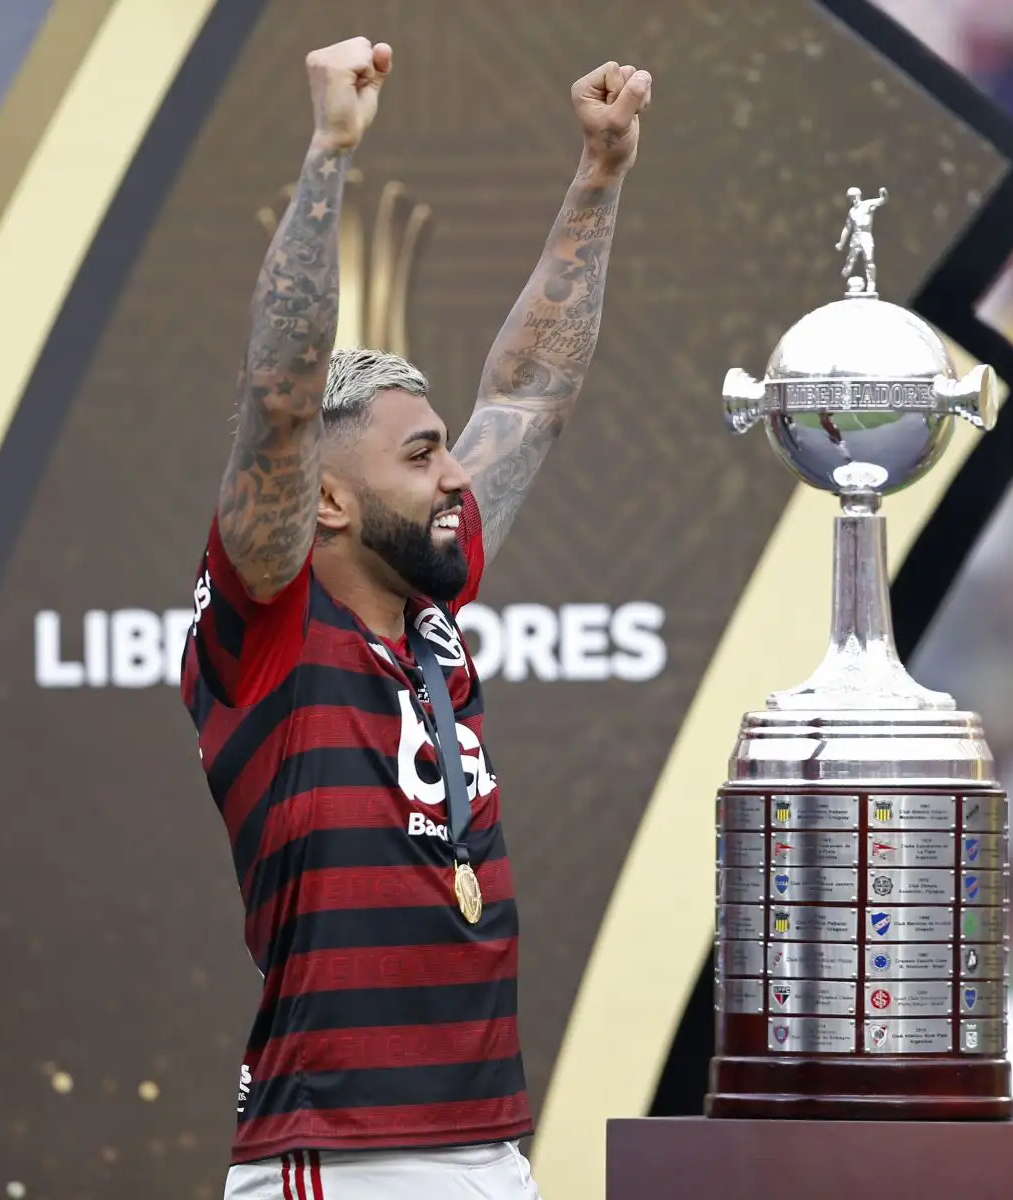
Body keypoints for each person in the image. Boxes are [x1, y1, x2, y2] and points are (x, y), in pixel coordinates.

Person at [181, 34, 651, 1200]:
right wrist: (331, 150)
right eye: (423, 455)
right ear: (328, 497)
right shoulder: (273, 624)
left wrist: (600, 172)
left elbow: (531, 391)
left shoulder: (425, 606)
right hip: (343, 1157)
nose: (456, 480)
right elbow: (280, 400)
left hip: (487, 1143)